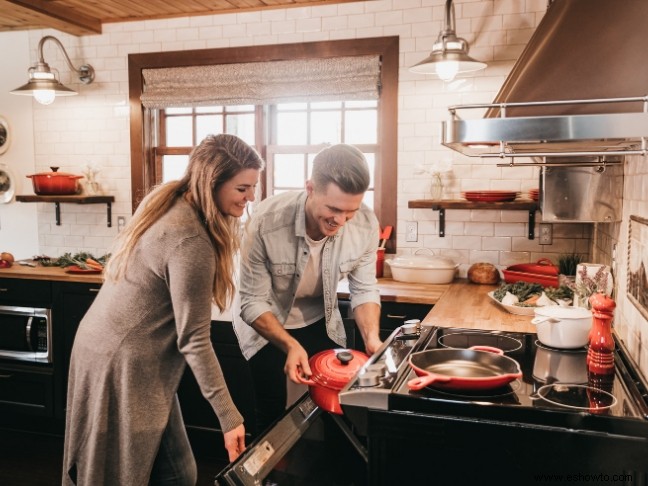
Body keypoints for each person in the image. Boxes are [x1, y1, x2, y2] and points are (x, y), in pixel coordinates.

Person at [63, 134, 265, 486]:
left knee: (174, 469)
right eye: (242, 189)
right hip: (125, 362)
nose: (250, 198)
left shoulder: (170, 201)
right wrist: (230, 417)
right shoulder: (190, 239)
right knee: (157, 474)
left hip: (104, 347)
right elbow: (195, 341)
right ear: (211, 182)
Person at [233, 143, 382, 435]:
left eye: (349, 212)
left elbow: (363, 289)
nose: (340, 221)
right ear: (310, 188)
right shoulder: (265, 221)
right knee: (272, 413)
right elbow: (252, 301)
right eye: (333, 209)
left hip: (320, 319)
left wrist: (372, 338)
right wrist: (289, 345)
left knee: (339, 410)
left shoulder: (365, 224)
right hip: (267, 322)